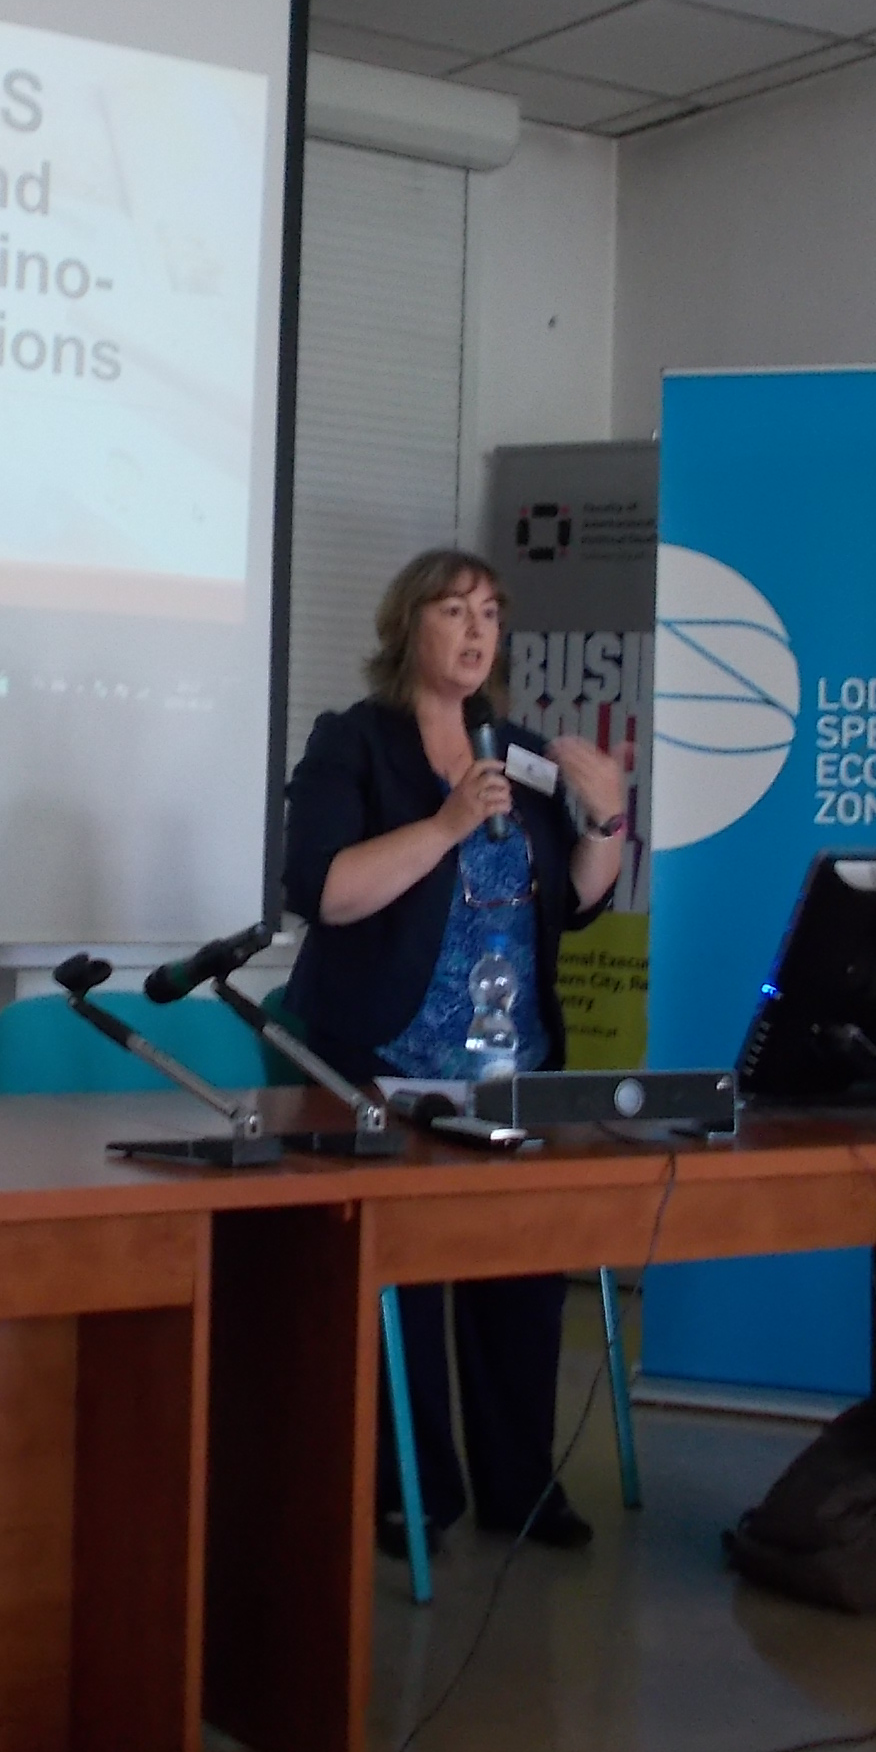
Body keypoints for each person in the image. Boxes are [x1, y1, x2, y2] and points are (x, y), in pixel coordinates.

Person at [281, 547, 627, 1553]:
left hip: (507, 1065)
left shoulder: (515, 748)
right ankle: (413, 1493)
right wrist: (441, 824)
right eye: (453, 610)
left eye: (491, 615)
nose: (477, 633)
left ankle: (523, 1488)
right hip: (379, 1061)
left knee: (519, 1278)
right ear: (408, 627)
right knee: (410, 1278)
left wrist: (605, 813)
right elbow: (327, 892)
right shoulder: (356, 743)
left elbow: (576, 900)